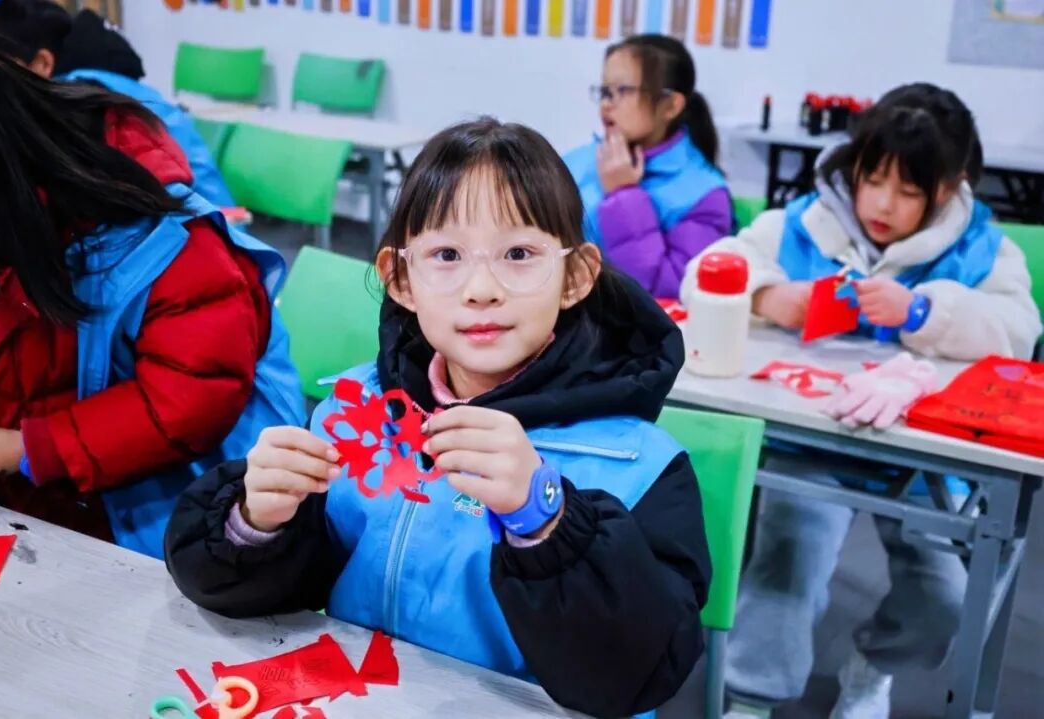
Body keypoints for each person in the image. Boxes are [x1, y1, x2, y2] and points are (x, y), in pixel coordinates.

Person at [165, 118, 712, 719]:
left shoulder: (642, 466)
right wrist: (256, 522)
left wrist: (547, 520)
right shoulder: (355, 410)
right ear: (401, 279)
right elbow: (283, 589)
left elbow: (639, 673)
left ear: (575, 277)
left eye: (519, 254)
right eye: (446, 255)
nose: (481, 288)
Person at [681, 84, 1041, 718]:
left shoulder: (982, 250)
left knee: (945, 598)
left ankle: (875, 667)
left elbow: (1018, 332)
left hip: (926, 464)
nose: (881, 204)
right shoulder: (801, 222)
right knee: (786, 564)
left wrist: (924, 312)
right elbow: (709, 269)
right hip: (813, 446)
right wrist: (766, 294)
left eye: (908, 191)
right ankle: (753, 696)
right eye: (872, 180)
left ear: (950, 187)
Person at [0, 34, 303, 559]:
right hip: (45, 518)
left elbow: (187, 403)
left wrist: (16, 448)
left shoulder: (169, 245)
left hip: (174, 538)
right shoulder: (4, 235)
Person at [0, 0, 236, 206]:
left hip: (200, 224)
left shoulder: (82, 105)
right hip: (201, 219)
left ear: (42, 63)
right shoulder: (101, 83)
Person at [564, 34, 732, 299]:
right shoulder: (577, 160)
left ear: (671, 105)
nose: (607, 103)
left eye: (623, 91)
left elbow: (668, 290)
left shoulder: (705, 195)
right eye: (605, 91)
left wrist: (623, 196)